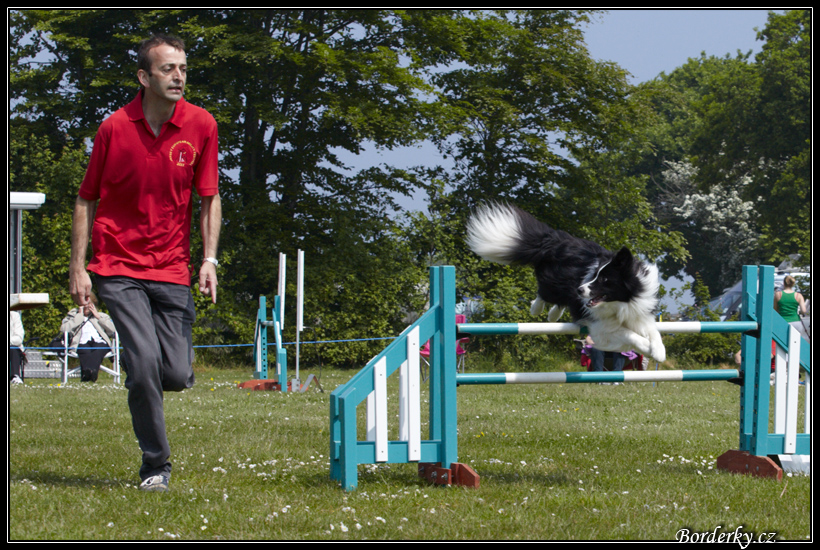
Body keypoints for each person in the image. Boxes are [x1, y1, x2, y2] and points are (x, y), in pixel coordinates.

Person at [69, 33, 221, 493]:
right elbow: (86, 198)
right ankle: (156, 466)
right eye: (168, 69)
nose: (179, 77)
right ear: (144, 76)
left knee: (173, 374)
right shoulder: (114, 128)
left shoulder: (201, 125)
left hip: (172, 268)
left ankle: (147, 368)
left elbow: (209, 198)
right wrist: (79, 268)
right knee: (143, 364)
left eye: (183, 69)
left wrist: (209, 259)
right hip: (116, 264)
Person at [59, 293, 117, 382]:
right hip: (81, 342)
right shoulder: (73, 315)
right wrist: (79, 316)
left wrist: (98, 317)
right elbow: (64, 329)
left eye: (88, 304)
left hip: (99, 342)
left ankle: (88, 373)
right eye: (83, 304)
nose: (86, 307)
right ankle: (91, 373)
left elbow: (113, 330)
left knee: (98, 349)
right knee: (84, 350)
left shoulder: (101, 315)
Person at [774, 275, 809, 341]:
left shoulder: (778, 294)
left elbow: (775, 310)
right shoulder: (798, 295)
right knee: (795, 342)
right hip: (796, 322)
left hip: (782, 321)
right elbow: (803, 310)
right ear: (793, 284)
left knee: (782, 342)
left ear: (783, 283)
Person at [10, 311, 25, 385]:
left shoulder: (14, 316)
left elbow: (19, 339)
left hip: (12, 347)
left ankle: (15, 376)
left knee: (13, 349)